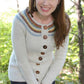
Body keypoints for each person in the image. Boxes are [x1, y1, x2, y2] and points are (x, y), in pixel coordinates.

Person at [8, 0, 71, 84]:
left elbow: (60, 58)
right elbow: (21, 60)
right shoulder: (20, 20)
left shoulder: (64, 21)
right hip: (20, 76)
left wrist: (47, 81)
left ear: (59, 1)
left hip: (47, 77)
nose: (45, 3)